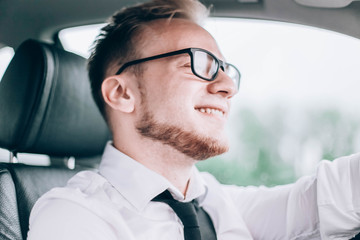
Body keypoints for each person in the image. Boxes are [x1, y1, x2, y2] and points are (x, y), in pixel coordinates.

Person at [27, 0, 360, 239]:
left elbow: (330, 197)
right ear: (121, 94)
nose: (227, 86)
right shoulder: (73, 217)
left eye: (226, 70)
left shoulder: (217, 200)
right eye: (198, 63)